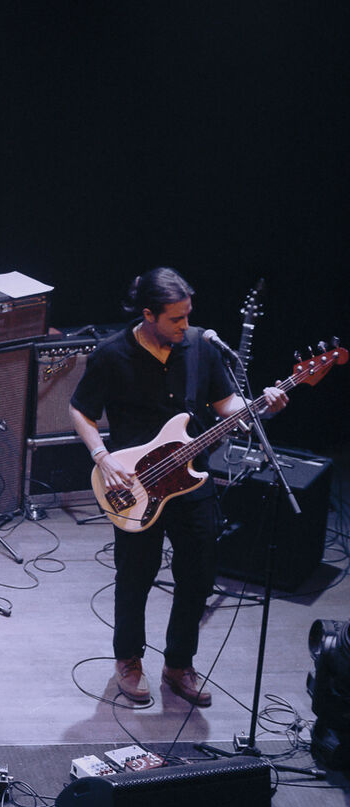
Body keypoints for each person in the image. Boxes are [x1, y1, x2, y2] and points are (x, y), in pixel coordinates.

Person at [69, 267, 288, 707]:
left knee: (199, 575)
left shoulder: (201, 346)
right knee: (135, 576)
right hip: (136, 484)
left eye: (188, 315)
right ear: (148, 315)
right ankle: (128, 660)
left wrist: (262, 405)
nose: (185, 325)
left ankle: (178, 664)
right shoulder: (112, 354)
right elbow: (80, 410)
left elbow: (227, 405)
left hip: (191, 480)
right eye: (176, 319)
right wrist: (101, 456)